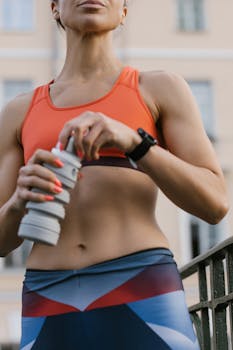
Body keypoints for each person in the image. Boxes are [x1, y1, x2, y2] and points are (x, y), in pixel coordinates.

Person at [0, 0, 229, 349]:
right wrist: (18, 203)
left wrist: (136, 144)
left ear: (124, 10)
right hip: (47, 295)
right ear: (54, 8)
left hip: (142, 284)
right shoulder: (18, 111)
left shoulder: (159, 88)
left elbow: (215, 204)